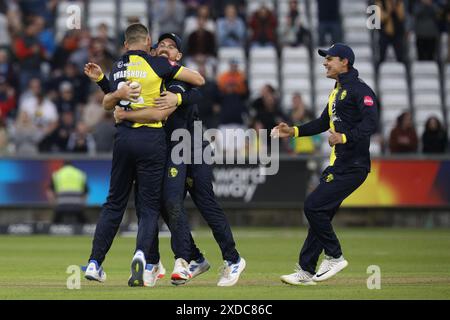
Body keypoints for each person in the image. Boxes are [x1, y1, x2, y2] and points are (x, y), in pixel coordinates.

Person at [112, 33, 245, 287]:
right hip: (169, 148)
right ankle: (185, 259)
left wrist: (124, 114)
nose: (165, 49)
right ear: (152, 51)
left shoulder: (177, 79)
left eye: (171, 47)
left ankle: (232, 258)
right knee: (161, 202)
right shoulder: (154, 78)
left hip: (192, 147)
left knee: (203, 203)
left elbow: (163, 111)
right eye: (160, 45)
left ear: (178, 57)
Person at [83, 23, 205, 287]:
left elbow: (109, 101)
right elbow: (198, 80)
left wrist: (105, 83)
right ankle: (142, 256)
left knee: (114, 202)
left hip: (123, 139)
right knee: (148, 206)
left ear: (125, 45)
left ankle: (95, 262)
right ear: (149, 41)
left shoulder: (117, 67)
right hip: (151, 139)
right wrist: (175, 94)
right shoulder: (158, 65)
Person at [272, 43, 378, 285]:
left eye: (330, 58)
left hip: (353, 165)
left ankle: (335, 255)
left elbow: (372, 122)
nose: (325, 63)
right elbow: (322, 122)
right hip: (340, 164)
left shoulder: (360, 90)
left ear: (345, 62)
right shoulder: (336, 90)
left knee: (312, 206)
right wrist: (294, 131)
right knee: (321, 214)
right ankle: (307, 270)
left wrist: (344, 137)